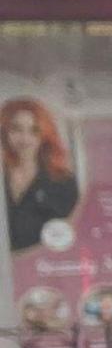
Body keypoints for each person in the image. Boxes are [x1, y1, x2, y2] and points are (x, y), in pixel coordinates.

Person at [3, 96, 76, 255]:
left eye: (34, 130)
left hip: (43, 269)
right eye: (16, 129)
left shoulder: (62, 181)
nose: (24, 139)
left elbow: (71, 236)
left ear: (45, 135)